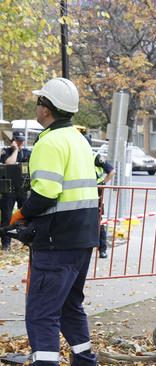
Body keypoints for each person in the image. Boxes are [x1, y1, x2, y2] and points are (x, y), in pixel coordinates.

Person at [11, 77, 100, 365]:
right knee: (70, 305)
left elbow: (47, 192)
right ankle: (85, 360)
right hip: (83, 237)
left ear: (46, 109)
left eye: (39, 102)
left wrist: (18, 215)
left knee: (41, 313)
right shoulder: (79, 139)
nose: (37, 107)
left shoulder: (49, 142)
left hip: (57, 242)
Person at [0, 130, 31, 250]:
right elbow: (9, 163)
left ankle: (26, 239)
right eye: (17, 141)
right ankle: (6, 243)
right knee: (7, 217)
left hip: (23, 188)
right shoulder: (6, 152)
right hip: (9, 189)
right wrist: (15, 150)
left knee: (26, 215)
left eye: (21, 141)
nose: (20, 143)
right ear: (13, 140)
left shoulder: (27, 152)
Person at [94, 150, 115, 259]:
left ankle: (102, 249)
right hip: (82, 193)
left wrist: (103, 184)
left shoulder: (96, 157)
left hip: (96, 194)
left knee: (99, 223)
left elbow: (112, 171)